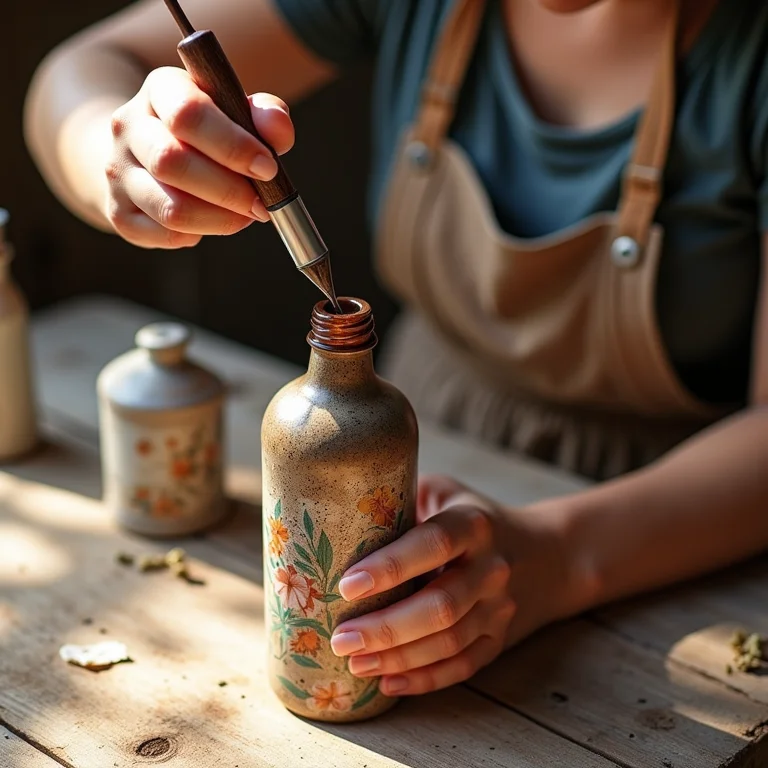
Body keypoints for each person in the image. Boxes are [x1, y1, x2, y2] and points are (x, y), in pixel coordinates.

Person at [24, 0, 768, 698]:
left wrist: (562, 557)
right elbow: (86, 67)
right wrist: (119, 156)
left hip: (678, 527)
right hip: (430, 412)